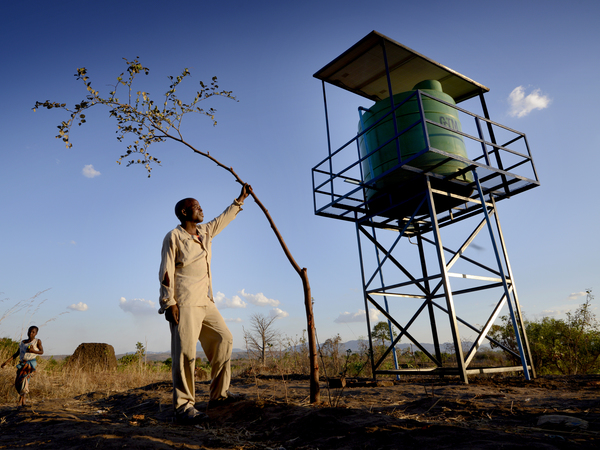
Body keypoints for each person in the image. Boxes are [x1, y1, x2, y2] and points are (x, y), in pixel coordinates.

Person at [159, 183, 251, 424]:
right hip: (185, 301)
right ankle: (183, 408)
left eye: (200, 206)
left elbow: (223, 219)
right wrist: (169, 303)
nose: (201, 209)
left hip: (207, 301)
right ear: (184, 213)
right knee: (186, 355)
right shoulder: (174, 236)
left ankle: (219, 395)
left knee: (224, 338)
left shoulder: (205, 232)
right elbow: (166, 271)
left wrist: (240, 199)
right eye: (196, 207)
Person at [1, 325, 44, 407]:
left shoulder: (37, 341)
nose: (31, 333)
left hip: (30, 363)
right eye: (29, 331)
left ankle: (20, 402)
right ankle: (23, 402)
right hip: (22, 364)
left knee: (24, 382)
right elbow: (16, 354)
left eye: (33, 332)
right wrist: (6, 362)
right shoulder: (23, 342)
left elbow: (41, 352)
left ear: (36, 333)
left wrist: (33, 350)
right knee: (18, 383)